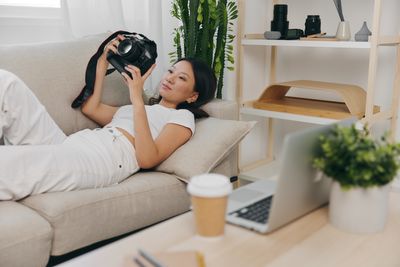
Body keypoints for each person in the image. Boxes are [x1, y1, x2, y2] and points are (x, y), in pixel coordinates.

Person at [0, 35, 216, 201]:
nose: (170, 78)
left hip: (97, 161)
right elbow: (90, 108)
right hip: (69, 144)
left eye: (181, 78)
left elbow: (148, 159)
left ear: (193, 95)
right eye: (171, 71)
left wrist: (137, 98)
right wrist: (104, 62)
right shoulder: (137, 109)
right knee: (6, 82)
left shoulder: (181, 116)